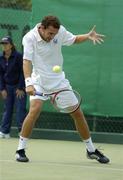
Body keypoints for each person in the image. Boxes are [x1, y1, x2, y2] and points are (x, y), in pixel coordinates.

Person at [15, 15, 110, 163]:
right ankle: (20, 150)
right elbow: (26, 61)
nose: (52, 36)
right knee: (35, 109)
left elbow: (74, 39)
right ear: (42, 28)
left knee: (78, 113)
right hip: (38, 81)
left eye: (55, 34)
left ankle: (91, 150)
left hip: (59, 83)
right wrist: (28, 83)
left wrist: (87, 36)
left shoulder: (59, 32)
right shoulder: (29, 38)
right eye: (50, 33)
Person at [0, 36, 27, 138]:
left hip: (19, 88)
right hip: (7, 88)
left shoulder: (18, 56)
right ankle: (4, 132)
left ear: (11, 45)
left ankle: (22, 132)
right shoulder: (1, 57)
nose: (4, 45)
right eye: (2, 44)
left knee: (20, 109)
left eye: (6, 43)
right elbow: (0, 74)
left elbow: (23, 72)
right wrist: (2, 89)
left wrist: (20, 87)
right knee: (7, 109)